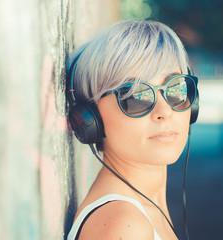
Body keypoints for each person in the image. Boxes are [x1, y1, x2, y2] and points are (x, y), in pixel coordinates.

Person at [66, 20, 199, 240]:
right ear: (92, 118)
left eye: (176, 87)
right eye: (136, 96)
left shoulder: (143, 211)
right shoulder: (124, 226)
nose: (164, 111)